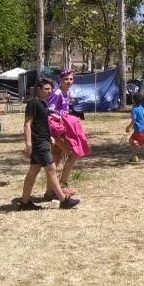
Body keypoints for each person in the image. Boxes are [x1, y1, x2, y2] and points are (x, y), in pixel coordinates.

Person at [19, 78, 80, 211]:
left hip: (44, 141)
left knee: (33, 172)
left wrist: (52, 125)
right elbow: (27, 124)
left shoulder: (43, 104)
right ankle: (64, 201)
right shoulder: (33, 103)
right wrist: (28, 144)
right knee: (51, 170)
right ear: (38, 90)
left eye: (50, 89)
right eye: (46, 89)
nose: (49, 91)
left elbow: (43, 121)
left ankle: (24, 202)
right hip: (39, 143)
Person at [44, 69, 90, 200]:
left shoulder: (66, 93)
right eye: (66, 79)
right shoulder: (57, 93)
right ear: (60, 81)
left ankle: (49, 192)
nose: (69, 81)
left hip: (63, 129)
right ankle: (61, 184)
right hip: (57, 131)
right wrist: (57, 120)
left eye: (71, 79)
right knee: (74, 153)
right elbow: (48, 110)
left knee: (55, 160)